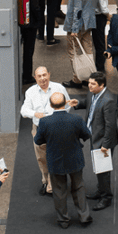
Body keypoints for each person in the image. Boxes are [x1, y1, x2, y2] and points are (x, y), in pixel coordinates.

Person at [34, 93, 92, 229]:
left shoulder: (45, 122)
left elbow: (38, 140)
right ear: (65, 103)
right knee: (78, 187)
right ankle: (84, 216)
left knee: (59, 190)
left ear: (50, 105)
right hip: (75, 159)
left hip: (55, 161)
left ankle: (63, 220)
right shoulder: (76, 119)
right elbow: (87, 135)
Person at [20, 66, 70, 196]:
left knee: (58, 156)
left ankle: (56, 183)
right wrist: (36, 114)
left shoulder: (59, 88)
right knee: (42, 158)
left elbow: (68, 105)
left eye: (44, 75)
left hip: (57, 129)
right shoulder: (30, 92)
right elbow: (24, 111)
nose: (43, 78)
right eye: (39, 76)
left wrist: (57, 115)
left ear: (49, 74)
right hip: (39, 130)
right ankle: (46, 181)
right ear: (35, 78)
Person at [76, 72, 118, 210]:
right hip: (94, 137)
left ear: (102, 85)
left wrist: (105, 145)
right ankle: (100, 191)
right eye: (89, 82)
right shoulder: (92, 93)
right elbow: (90, 104)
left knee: (103, 170)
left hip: (102, 142)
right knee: (98, 168)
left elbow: (110, 126)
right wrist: (77, 103)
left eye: (93, 84)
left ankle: (106, 197)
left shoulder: (109, 100)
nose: (89, 85)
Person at [64, 0, 101, 87]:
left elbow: (78, 10)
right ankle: (89, 76)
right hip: (89, 22)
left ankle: (77, 79)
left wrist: (74, 28)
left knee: (73, 50)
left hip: (78, 25)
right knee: (88, 50)